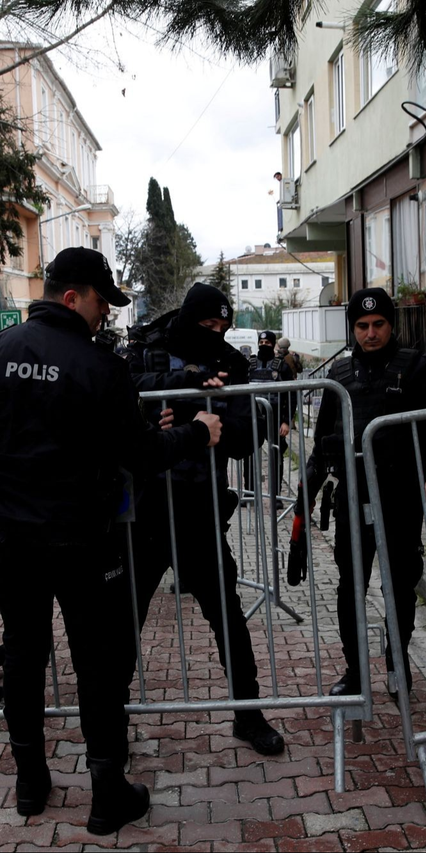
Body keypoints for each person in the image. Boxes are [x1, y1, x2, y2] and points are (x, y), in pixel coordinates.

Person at [0, 248, 221, 834]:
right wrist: (198, 433)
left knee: (21, 657)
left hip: (13, 540)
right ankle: (106, 795)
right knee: (96, 665)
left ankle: (29, 782)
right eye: (101, 302)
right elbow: (143, 455)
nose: (105, 316)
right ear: (72, 297)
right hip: (83, 541)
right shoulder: (99, 367)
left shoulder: (2, 353)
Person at [126, 282, 285, 756]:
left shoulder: (231, 364)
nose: (214, 334)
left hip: (200, 508)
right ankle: (109, 718)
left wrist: (203, 425)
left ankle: (249, 715)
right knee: (122, 620)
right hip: (148, 508)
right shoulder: (147, 353)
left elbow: (246, 433)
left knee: (227, 615)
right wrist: (160, 418)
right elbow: (119, 407)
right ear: (186, 319)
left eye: (222, 326)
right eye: (206, 325)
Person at [290, 287, 426, 699]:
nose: (371, 333)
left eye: (379, 324)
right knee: (351, 587)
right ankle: (355, 671)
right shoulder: (340, 379)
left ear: (391, 325)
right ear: (353, 329)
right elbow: (322, 446)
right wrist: (305, 498)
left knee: (399, 586)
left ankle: (396, 663)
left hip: (400, 500)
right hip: (352, 501)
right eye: (363, 326)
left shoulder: (417, 368)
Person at [247, 330, 295, 509]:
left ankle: (275, 496)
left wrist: (286, 421)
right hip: (253, 416)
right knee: (249, 453)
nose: (263, 345)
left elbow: (289, 394)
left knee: (276, 455)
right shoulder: (250, 364)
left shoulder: (281, 366)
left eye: (267, 342)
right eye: (261, 342)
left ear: (273, 344)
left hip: (275, 417)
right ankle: (249, 493)